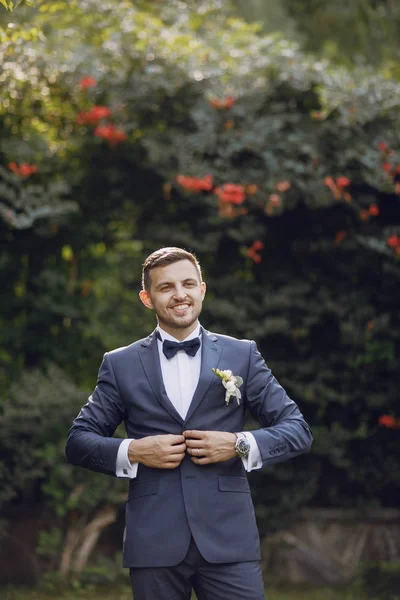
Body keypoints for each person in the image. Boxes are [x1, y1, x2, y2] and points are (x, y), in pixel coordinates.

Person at [66, 246, 313, 600]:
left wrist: (238, 444)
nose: (179, 294)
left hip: (229, 538)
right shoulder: (120, 364)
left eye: (187, 284)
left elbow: (297, 429)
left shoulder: (240, 355)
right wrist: (134, 451)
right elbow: (78, 441)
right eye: (166, 287)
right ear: (147, 298)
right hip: (154, 541)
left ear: (202, 289)